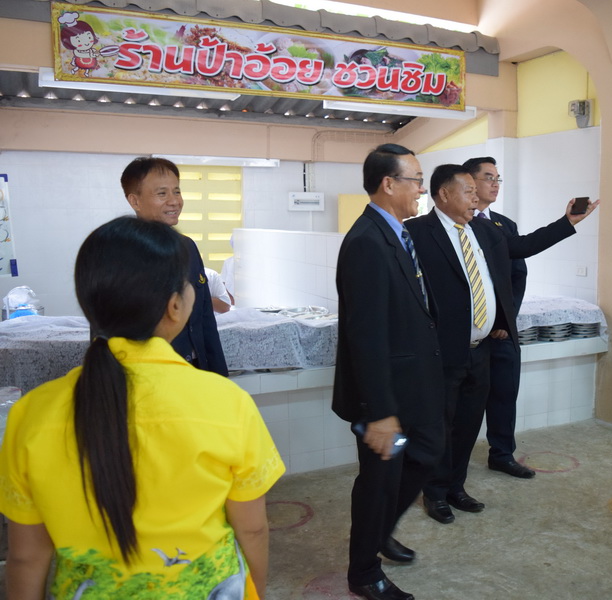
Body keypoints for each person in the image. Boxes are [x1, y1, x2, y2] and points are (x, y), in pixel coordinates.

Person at [0, 216, 284, 599]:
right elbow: (252, 529)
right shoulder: (227, 403)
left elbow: (25, 558)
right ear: (174, 306)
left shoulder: (31, 414)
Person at [405, 164, 595, 523]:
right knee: (439, 427)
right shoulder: (415, 233)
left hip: (481, 349)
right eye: (468, 191)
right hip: (442, 351)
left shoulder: (483, 229)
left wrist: (567, 222)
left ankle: (456, 486)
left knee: (467, 424)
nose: (476, 197)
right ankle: (435, 492)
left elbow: (523, 247)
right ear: (443, 194)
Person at [331, 143, 445, 600]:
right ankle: (363, 572)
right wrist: (380, 412)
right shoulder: (366, 242)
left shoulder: (397, 233)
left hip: (413, 387)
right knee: (379, 482)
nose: (421, 189)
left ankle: (379, 533)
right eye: (416, 180)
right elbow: (366, 334)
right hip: (385, 397)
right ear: (388, 184)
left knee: (426, 454)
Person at [461, 156, 596, 479]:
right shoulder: (459, 224)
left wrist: (505, 321)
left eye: (498, 178)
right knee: (465, 405)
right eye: (488, 177)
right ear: (468, 182)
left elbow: (517, 274)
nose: (495, 184)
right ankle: (452, 470)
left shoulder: (504, 224)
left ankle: (502, 454)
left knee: (505, 393)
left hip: (504, 330)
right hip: (471, 334)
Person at [121, 157, 228, 376]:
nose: (174, 201)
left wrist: (218, 375)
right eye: (162, 193)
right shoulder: (120, 253)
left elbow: (205, 317)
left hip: (195, 368)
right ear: (135, 201)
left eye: (177, 192)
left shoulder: (187, 247)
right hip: (149, 374)